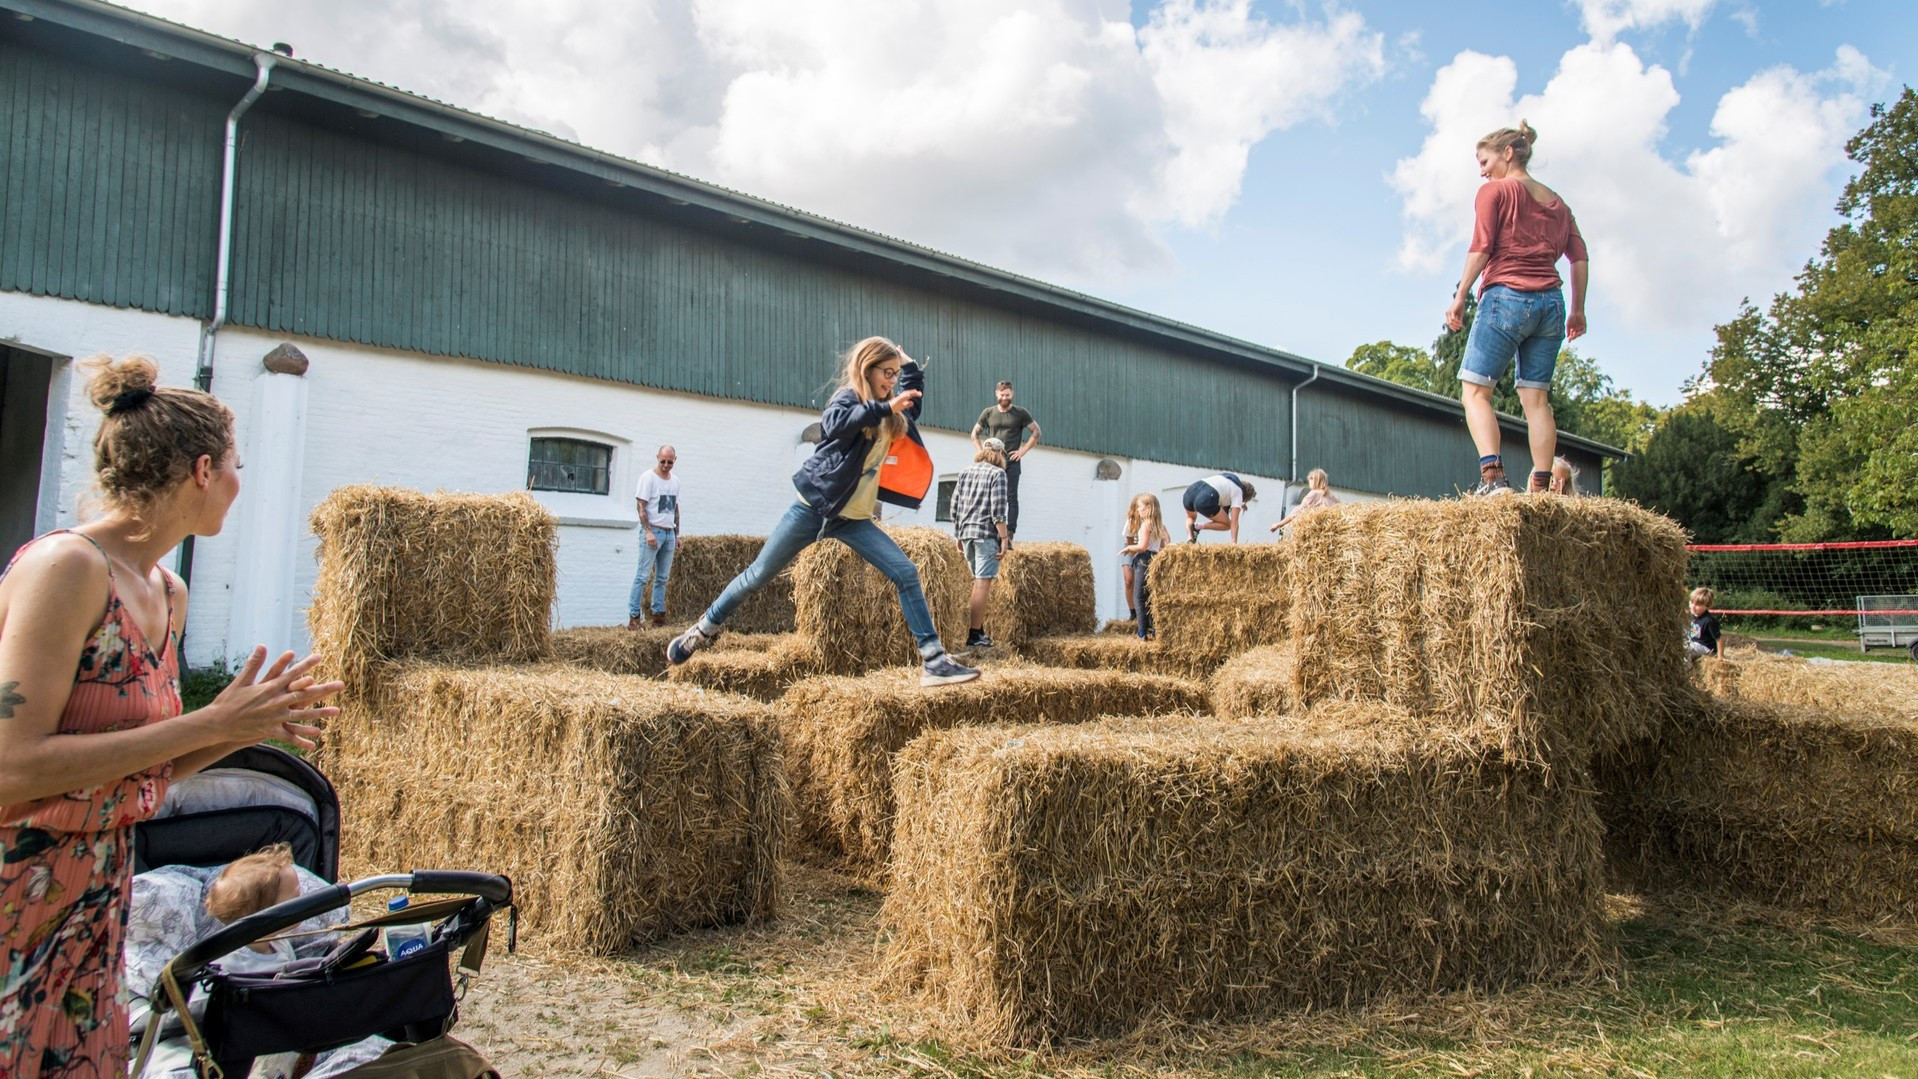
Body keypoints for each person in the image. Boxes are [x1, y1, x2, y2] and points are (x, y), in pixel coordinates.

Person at [0, 354, 342, 1078]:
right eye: (236, 467)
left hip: (99, 895)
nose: (240, 485)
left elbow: (142, 761)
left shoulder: (169, 591)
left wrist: (243, 729)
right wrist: (209, 724)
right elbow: (12, 764)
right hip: (18, 886)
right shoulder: (67, 568)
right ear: (201, 469)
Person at [667, 337, 979, 687]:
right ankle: (701, 630)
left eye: (894, 375)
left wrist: (908, 368)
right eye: (886, 373)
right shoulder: (849, 401)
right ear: (867, 368)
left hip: (854, 521)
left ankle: (934, 662)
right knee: (756, 576)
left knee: (906, 572)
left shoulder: (890, 413)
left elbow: (910, 403)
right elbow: (836, 424)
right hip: (813, 510)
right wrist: (885, 406)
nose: (891, 381)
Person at [1444, 120, 1590, 496]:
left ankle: (1493, 481)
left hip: (1506, 297)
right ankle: (1540, 489)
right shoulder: (1558, 204)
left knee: (1475, 391)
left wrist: (1461, 294)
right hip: (1552, 305)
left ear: (1507, 153)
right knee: (1537, 401)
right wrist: (1578, 309)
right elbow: (1579, 257)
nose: (1481, 170)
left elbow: (1481, 247)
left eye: (1484, 160)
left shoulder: (1495, 192)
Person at [950, 439, 1010, 649]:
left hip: (966, 534)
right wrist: (1004, 538)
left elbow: (954, 506)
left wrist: (958, 534)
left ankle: (979, 630)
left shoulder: (965, 472)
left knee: (977, 582)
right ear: (999, 454)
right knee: (982, 584)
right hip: (986, 535)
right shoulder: (998, 474)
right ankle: (974, 635)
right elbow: (998, 511)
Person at [971, 380, 1040, 544]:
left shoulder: (1020, 413)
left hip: (1011, 461)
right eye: (1002, 395)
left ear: (1012, 394)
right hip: (992, 462)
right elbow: (974, 433)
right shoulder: (988, 413)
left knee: (1011, 497)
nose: (1005, 398)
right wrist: (981, 452)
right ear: (997, 394)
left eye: (1008, 395)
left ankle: (1009, 533)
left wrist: (1023, 451)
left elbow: (1036, 432)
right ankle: (989, 529)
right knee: (989, 495)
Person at [628, 444, 682, 628]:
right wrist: (648, 531)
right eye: (663, 461)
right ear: (657, 457)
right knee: (643, 576)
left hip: (668, 533)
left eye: (670, 461)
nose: (666, 465)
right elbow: (641, 506)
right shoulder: (648, 478)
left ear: (675, 459)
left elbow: (675, 508)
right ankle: (634, 617)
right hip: (653, 531)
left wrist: (677, 534)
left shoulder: (675, 481)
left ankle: (658, 614)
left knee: (662, 578)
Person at [1121, 494, 1170, 640]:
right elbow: (1163, 544)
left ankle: (1142, 632)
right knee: (1150, 596)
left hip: (1143, 560)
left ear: (1148, 508)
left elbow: (1142, 546)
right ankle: (1154, 629)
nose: (1137, 509)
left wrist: (1129, 548)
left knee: (1139, 597)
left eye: (1140, 507)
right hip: (1155, 559)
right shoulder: (1158, 525)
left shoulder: (1145, 525)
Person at [1181, 473, 1256, 543]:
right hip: (1206, 497)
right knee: (1227, 525)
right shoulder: (1239, 492)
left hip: (1191, 491)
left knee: (1190, 517)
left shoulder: (1228, 479)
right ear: (1245, 497)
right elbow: (1234, 522)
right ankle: (1197, 526)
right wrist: (1234, 544)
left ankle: (1190, 537)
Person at [1271, 468, 1341, 534]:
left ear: (1315, 481)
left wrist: (1278, 524)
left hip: (1318, 530)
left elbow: (1297, 511)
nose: (1309, 483)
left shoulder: (1314, 493)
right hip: (1331, 531)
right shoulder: (1333, 497)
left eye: (1310, 480)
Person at [1121, 493, 1151, 623]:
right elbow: (1130, 541)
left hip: (1144, 549)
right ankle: (1132, 611)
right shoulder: (1131, 521)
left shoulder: (1150, 520)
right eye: (1137, 506)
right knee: (1129, 580)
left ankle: (1144, 613)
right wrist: (1135, 558)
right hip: (1131, 548)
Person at [1687, 586, 1722, 661]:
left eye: (1698, 605)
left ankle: (1686, 671)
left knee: (1684, 649)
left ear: (1707, 606)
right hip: (1694, 644)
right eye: (1692, 602)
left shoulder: (1709, 621)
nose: (1693, 607)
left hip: (1706, 648)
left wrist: (1720, 656)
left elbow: (1719, 639)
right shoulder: (1689, 616)